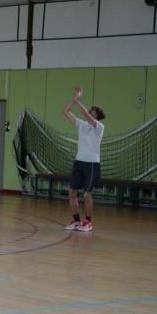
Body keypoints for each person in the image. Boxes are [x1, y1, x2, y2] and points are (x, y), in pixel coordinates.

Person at [62, 86, 105, 232]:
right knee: (72, 192)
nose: (90, 113)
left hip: (92, 164)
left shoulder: (99, 127)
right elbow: (66, 112)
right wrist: (74, 101)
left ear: (96, 116)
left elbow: (86, 115)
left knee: (87, 194)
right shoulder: (81, 125)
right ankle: (76, 221)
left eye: (93, 112)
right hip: (79, 162)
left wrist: (78, 100)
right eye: (90, 111)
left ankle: (88, 222)